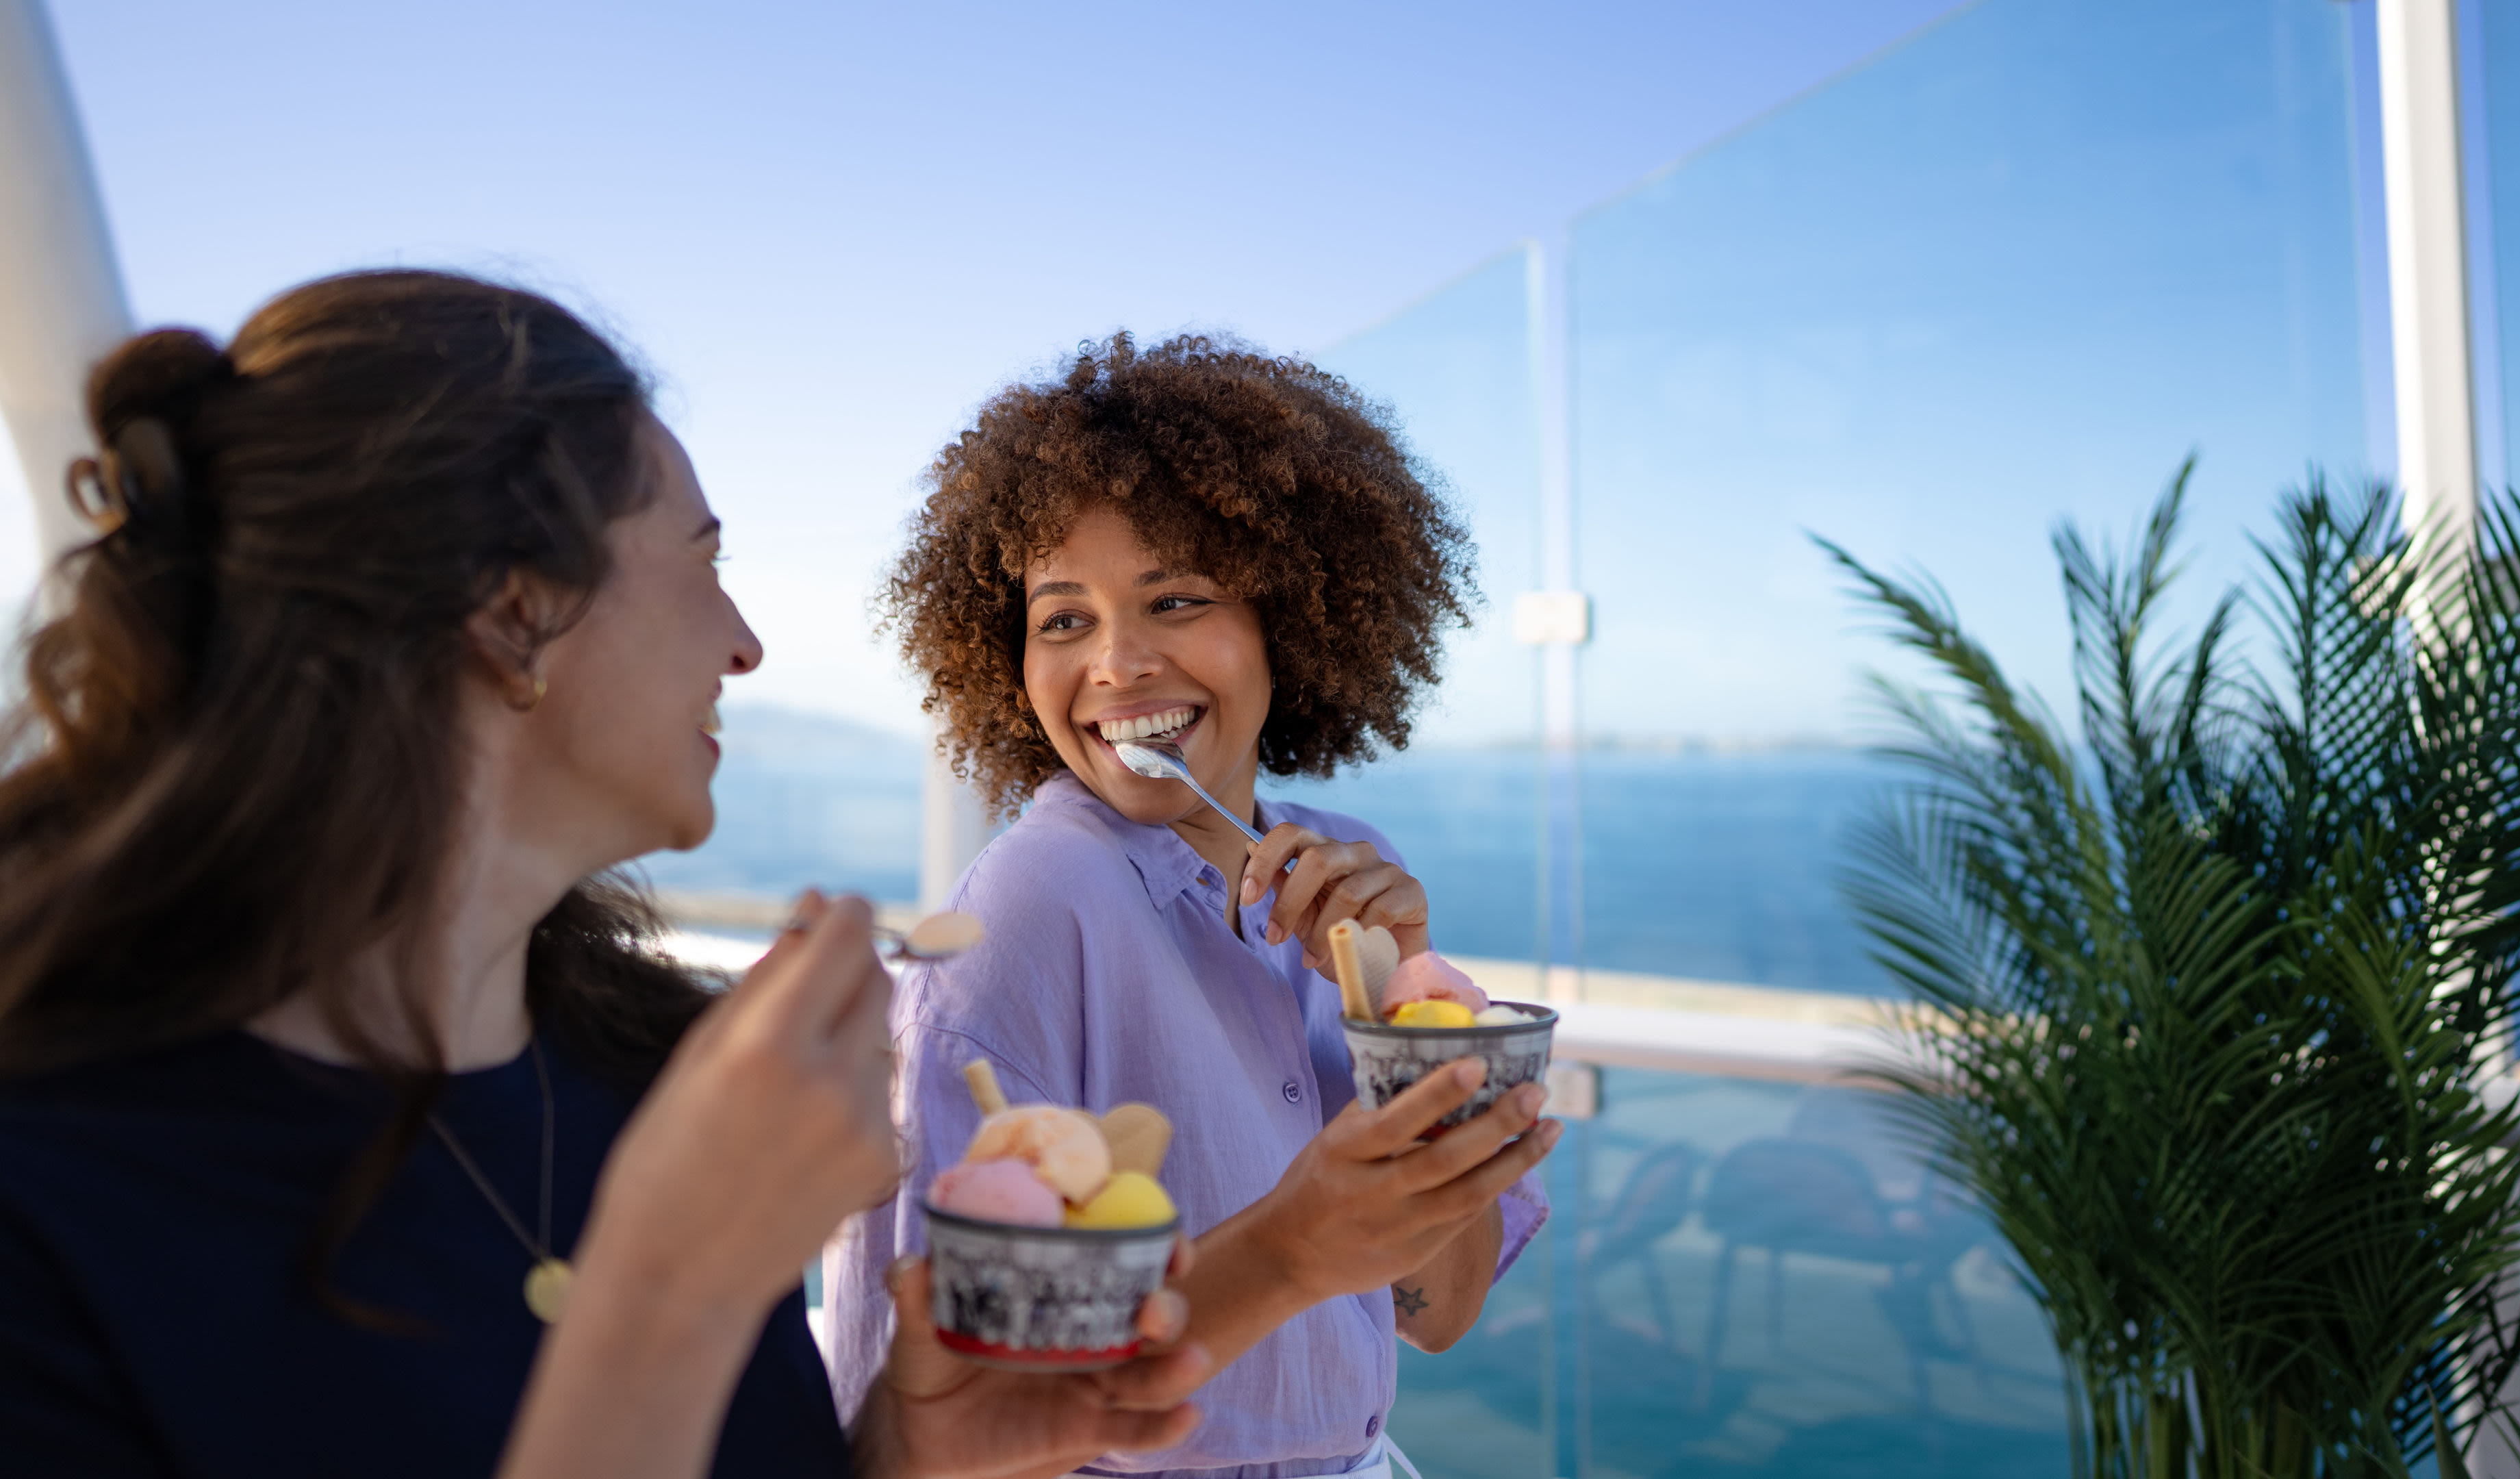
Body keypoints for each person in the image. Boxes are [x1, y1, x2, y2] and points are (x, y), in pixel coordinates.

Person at [0, 270, 1214, 1478]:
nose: (744, 642)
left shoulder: (639, 1073)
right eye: (701, 560)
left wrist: (899, 1460)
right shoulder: (53, 1203)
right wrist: (669, 1292)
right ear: (515, 609)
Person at [826, 333, 1564, 1478]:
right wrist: (1288, 1248)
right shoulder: (1031, 910)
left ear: (1294, 620)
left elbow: (1436, 1308)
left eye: (1174, 599)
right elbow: (931, 1421)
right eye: (1063, 619)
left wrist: (1399, 1020)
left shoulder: (1351, 867)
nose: (1116, 664)